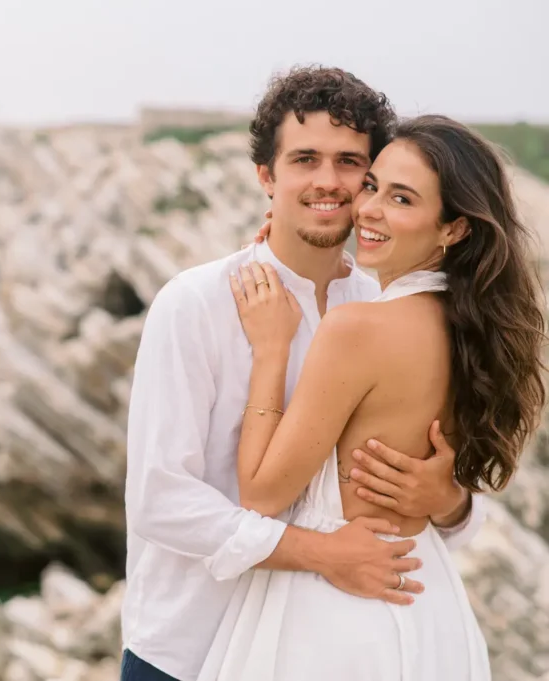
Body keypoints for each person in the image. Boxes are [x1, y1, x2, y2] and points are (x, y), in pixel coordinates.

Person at [121, 66, 488, 681]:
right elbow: (160, 499)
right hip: (188, 646)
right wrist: (321, 554)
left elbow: (440, 492)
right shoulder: (196, 301)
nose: (329, 182)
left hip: (319, 647)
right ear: (267, 175)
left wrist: (449, 503)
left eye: (351, 164)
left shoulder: (383, 307)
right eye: (305, 159)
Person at [195, 114, 546, 680]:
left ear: (453, 229)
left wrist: (272, 351)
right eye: (374, 186)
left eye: (402, 199)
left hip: (339, 614)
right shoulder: (471, 329)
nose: (369, 210)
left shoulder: (359, 328)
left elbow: (260, 493)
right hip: (427, 601)